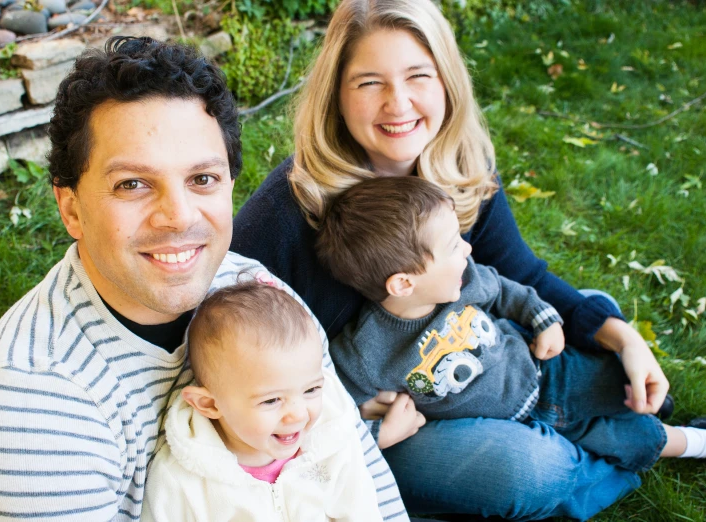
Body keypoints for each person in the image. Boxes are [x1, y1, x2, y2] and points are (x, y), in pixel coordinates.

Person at [231, 0, 673, 519]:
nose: (398, 104)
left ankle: (562, 430)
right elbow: (232, 349)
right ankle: (596, 456)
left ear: (446, 81)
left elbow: (521, 276)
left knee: (598, 314)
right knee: (532, 470)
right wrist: (339, 411)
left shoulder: (458, 167)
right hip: (379, 425)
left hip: (470, 362)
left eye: (418, 75)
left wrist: (624, 336)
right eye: (369, 82)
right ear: (337, 96)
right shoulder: (289, 208)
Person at [0, 36, 407, 521]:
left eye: (201, 179)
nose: (177, 215)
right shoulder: (31, 407)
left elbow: (361, 471)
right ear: (71, 209)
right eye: (133, 184)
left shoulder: (257, 292)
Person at [319, 176, 706, 474]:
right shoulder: (366, 353)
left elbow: (507, 291)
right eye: (454, 245)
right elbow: (332, 416)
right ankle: (693, 442)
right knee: (628, 440)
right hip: (513, 428)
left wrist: (546, 319)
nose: (467, 249)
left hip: (543, 370)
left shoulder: (464, 279)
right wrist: (379, 434)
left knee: (611, 381)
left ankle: (647, 404)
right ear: (404, 283)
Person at [141, 280, 383, 521]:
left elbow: (362, 511)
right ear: (210, 405)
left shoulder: (332, 442)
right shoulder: (181, 481)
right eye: (271, 401)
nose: (298, 414)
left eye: (311, 390)